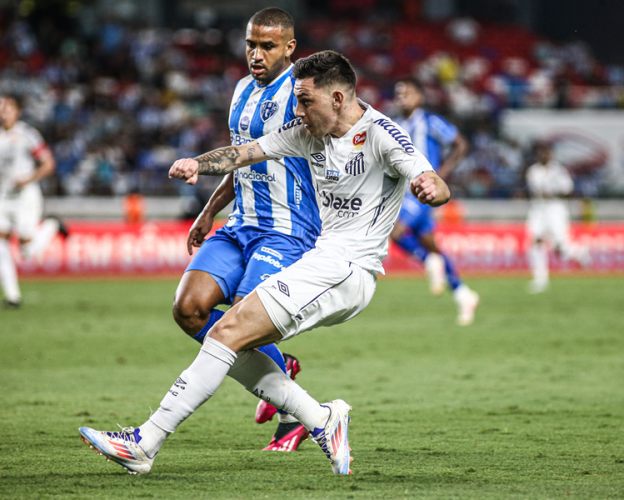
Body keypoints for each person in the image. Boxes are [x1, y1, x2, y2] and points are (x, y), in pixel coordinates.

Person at [78, 50, 450, 476]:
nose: (297, 110)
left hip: (348, 270)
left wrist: (427, 187)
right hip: (325, 263)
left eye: (305, 101)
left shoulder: (382, 133)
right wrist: (197, 164)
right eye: (295, 99)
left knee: (227, 330)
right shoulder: (308, 132)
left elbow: (434, 182)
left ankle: (146, 441)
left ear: (337, 97)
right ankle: (321, 418)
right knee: (230, 337)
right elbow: (244, 154)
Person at [172, 8, 318, 451]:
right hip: (240, 225)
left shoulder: (301, 94)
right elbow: (241, 159)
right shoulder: (240, 90)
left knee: (243, 320)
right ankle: (281, 369)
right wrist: (209, 211)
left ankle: (297, 413)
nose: (256, 53)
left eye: (268, 46)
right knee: (188, 309)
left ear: (290, 48)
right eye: (251, 44)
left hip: (286, 229)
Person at [390, 79, 479, 326]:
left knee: (396, 231)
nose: (402, 97)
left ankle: (429, 262)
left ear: (420, 96)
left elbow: (460, 144)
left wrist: (442, 174)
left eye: (407, 92)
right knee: (433, 246)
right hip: (403, 192)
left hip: (422, 191)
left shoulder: (430, 122)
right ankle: (464, 295)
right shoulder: (393, 125)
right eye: (398, 93)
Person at [0, 94, 65, 309]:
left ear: (17, 112)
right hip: (3, 197)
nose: (3, 112)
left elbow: (48, 163)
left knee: (27, 250)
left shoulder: (27, 135)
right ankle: (12, 296)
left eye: (7, 108)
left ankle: (52, 225)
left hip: (25, 196)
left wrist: (27, 179)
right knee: (1, 243)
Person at [526, 142, 590, 293]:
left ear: (551, 154)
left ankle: (580, 253)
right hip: (539, 209)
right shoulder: (533, 171)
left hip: (555, 209)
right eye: (540, 152)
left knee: (561, 248)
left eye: (546, 152)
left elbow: (568, 190)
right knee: (536, 242)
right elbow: (534, 190)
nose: (543, 155)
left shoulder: (559, 170)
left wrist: (552, 193)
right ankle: (540, 279)